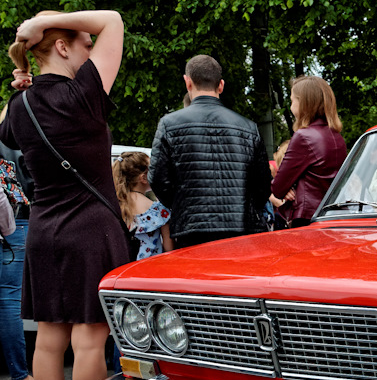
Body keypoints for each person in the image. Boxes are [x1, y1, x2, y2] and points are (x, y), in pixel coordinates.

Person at [0, 9, 140, 380]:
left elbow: (5, 128)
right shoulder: (84, 93)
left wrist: (21, 79)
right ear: (61, 46)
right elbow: (114, 20)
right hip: (90, 229)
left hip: (42, 229)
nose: (89, 49)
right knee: (87, 341)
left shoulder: (18, 105)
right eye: (83, 43)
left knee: (48, 341)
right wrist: (49, 21)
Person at [149, 54, 272, 248]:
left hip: (191, 229)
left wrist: (183, 203)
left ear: (187, 82)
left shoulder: (169, 124)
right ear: (221, 85)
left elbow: (157, 178)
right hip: (240, 228)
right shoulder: (249, 127)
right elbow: (263, 184)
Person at [270, 77, 346, 228]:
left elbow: (278, 188)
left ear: (304, 104)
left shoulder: (304, 137)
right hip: (334, 216)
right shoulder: (337, 137)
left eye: (292, 101)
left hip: (307, 219)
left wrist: (287, 189)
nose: (291, 107)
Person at [0, 148, 35, 380]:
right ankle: (20, 375)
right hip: (17, 220)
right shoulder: (14, 144)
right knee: (10, 300)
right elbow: (33, 183)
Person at [112, 151, 172, 259]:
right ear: (143, 178)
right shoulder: (158, 210)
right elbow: (170, 249)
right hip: (150, 271)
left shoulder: (114, 207)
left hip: (122, 271)